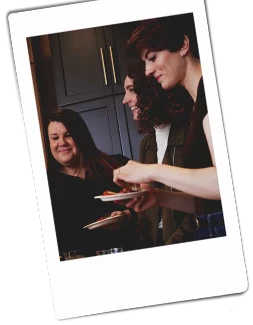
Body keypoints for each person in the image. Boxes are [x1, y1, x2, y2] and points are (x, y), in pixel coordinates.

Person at [113, 14, 226, 240]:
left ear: (183, 45)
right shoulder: (199, 103)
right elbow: (211, 202)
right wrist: (160, 197)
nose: (147, 71)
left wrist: (151, 170)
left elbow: (225, 182)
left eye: (152, 58)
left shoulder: (212, 93)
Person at [119, 62, 197, 246]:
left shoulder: (190, 133)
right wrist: (128, 214)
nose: (125, 99)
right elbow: (149, 206)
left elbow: (203, 206)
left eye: (131, 90)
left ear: (150, 92)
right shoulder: (147, 143)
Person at [47, 109, 136, 259]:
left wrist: (127, 215)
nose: (62, 142)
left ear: (81, 137)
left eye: (68, 135)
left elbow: (150, 207)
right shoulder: (46, 185)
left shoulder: (116, 165)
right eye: (55, 138)